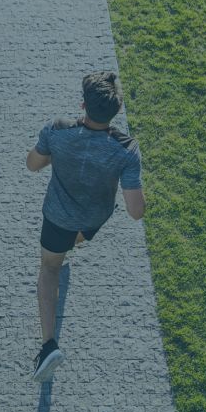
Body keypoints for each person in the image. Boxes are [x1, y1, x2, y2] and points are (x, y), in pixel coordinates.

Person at [25, 71, 145, 382]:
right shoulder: (127, 149)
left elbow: (32, 164)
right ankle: (70, 246)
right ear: (116, 111)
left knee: (49, 268)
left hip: (57, 216)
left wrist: (57, 154)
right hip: (94, 218)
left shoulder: (57, 130)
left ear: (83, 105)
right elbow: (135, 211)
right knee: (73, 240)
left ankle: (48, 345)